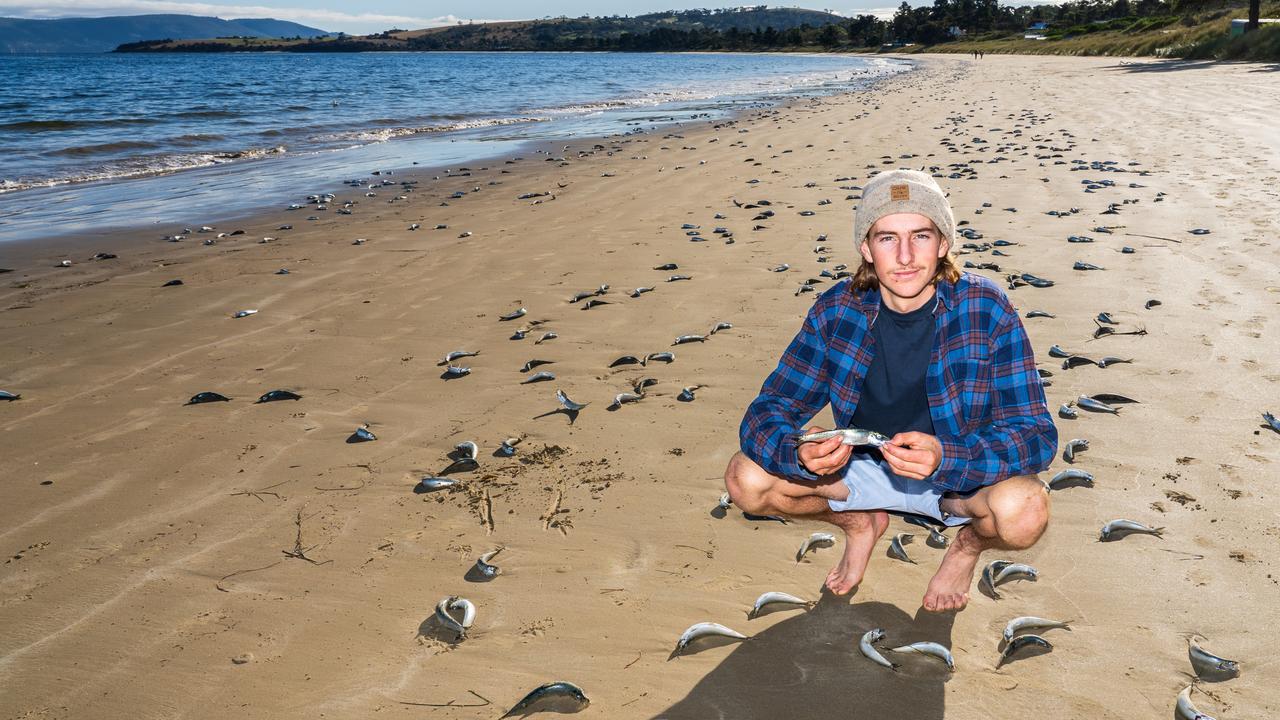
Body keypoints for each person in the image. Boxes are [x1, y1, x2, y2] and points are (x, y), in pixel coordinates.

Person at [725, 169, 1057, 612]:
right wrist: (798, 452)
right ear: (866, 247)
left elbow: (1036, 433)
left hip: (955, 481)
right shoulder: (836, 310)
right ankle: (862, 524)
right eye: (886, 238)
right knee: (745, 480)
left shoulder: (987, 307)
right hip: (859, 470)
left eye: (920, 235)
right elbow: (770, 407)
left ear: (943, 244)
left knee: (1026, 512)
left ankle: (965, 550)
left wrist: (948, 455)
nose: (905, 256)